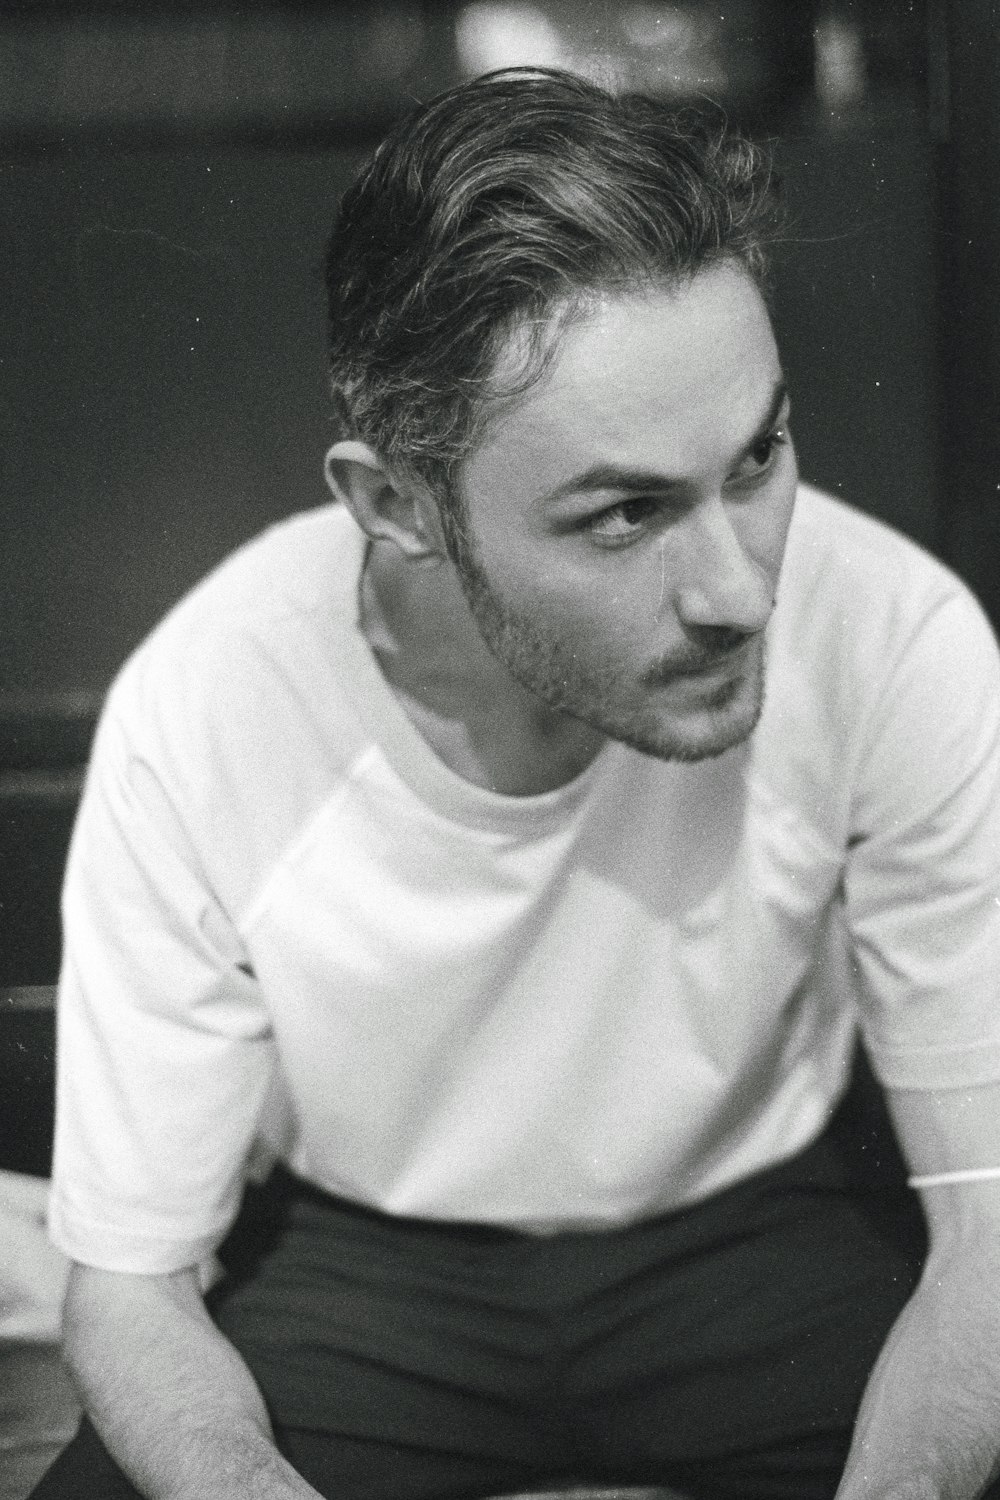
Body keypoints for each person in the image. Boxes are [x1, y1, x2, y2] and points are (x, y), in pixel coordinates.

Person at [35, 67, 1000, 1500]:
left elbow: (990, 1220)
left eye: (759, 456)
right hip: (366, 1274)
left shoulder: (897, 636)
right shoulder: (203, 708)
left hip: (759, 1240)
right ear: (400, 506)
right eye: (627, 511)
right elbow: (127, 1291)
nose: (742, 589)